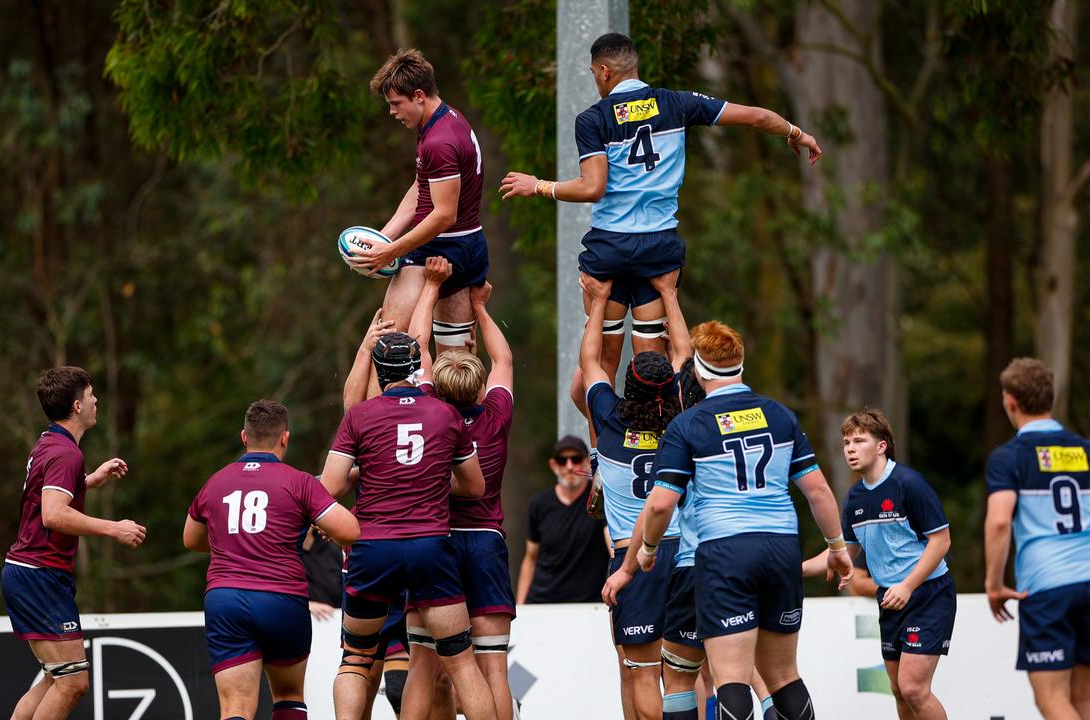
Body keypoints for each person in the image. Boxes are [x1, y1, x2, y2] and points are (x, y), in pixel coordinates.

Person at [500, 32, 821, 403]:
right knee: (652, 364)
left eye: (592, 73)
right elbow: (757, 116)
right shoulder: (677, 103)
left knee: (601, 364)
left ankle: (599, 455)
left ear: (604, 72)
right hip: (658, 246)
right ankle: (651, 449)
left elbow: (593, 187)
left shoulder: (594, 119)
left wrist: (540, 185)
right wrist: (797, 133)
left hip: (610, 246)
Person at [637, 321, 851, 720]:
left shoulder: (689, 425)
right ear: (740, 366)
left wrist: (648, 550)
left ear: (698, 371)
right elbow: (819, 492)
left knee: (731, 677)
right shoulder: (780, 416)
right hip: (782, 545)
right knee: (784, 675)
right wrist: (837, 548)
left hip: (725, 550)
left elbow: (661, 505)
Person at [320, 331, 497, 720]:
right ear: (418, 368)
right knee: (461, 662)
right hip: (429, 547)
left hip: (373, 547)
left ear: (379, 372)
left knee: (356, 658)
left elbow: (329, 487)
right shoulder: (446, 414)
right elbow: (475, 486)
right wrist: (431, 478)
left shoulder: (359, 416)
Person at [388, 258, 517, 720]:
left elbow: (417, 344)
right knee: (493, 669)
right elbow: (503, 358)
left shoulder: (429, 416)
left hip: (435, 542)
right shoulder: (496, 416)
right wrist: (480, 308)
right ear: (480, 386)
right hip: (485, 543)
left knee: (423, 665)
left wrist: (430, 288)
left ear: (437, 386)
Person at [984, 358, 1090, 720]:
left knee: (1052, 699)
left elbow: (998, 524)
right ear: (1049, 399)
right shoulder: (1087, 450)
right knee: (1082, 697)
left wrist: (994, 583)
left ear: (1010, 401)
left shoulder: (1009, 457)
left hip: (1047, 587)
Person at [183, 400, 359, 720]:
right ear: (285, 438)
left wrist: (234, 543)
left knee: (235, 707)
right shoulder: (299, 482)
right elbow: (349, 531)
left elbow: (191, 540)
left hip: (226, 598)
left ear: (243, 437)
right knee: (288, 696)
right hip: (281, 598)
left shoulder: (216, 482)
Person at [2, 366, 146, 720]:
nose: (96, 400)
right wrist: (114, 528)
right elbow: (52, 514)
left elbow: (46, 496)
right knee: (72, 682)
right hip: (39, 575)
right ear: (78, 405)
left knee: (58, 679)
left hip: (29, 573)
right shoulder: (67, 453)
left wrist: (89, 481)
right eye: (92, 394)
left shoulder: (51, 443)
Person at [582, 272, 689, 720]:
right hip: (685, 552)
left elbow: (591, 362)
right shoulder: (684, 420)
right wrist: (668, 295)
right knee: (680, 671)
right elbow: (683, 355)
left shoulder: (609, 420)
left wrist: (599, 302)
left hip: (635, 554)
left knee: (639, 668)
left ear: (629, 383)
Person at [803, 410, 954, 720]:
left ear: (882, 446)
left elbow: (942, 542)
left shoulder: (909, 484)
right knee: (898, 690)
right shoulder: (855, 498)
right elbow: (843, 551)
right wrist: (793, 570)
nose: (850, 449)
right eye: (846, 443)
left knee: (913, 688)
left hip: (928, 595)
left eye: (859, 441)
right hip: (890, 599)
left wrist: (908, 586)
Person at [352, 49, 488, 352]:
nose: (392, 112)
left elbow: (443, 215)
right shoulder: (442, 119)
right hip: (467, 247)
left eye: (396, 104)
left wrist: (392, 251)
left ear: (418, 96)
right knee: (455, 369)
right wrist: (384, 236)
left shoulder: (439, 141)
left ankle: (378, 403)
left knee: (389, 348)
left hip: (437, 248)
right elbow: (420, 186)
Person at [517, 435, 610, 604]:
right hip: (542, 602)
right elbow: (530, 559)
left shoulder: (600, 500)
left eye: (575, 459)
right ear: (554, 465)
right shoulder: (539, 504)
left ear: (587, 462)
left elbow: (613, 546)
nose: (569, 466)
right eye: (562, 460)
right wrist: (520, 609)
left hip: (590, 605)